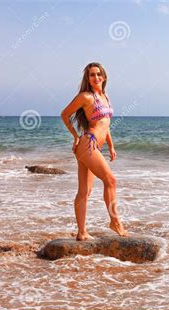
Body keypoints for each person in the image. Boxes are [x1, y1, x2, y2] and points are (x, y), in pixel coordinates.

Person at [61, 62, 129, 240]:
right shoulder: (86, 97)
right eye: (92, 75)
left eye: (98, 74)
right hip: (87, 143)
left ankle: (81, 233)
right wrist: (75, 137)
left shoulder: (105, 97)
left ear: (104, 77)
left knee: (85, 192)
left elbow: (105, 125)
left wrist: (111, 146)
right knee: (111, 180)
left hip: (94, 146)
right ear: (88, 78)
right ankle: (115, 222)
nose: (96, 77)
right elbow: (64, 114)